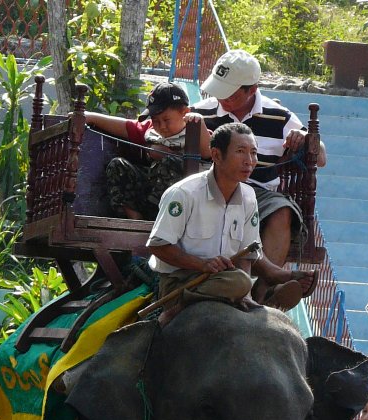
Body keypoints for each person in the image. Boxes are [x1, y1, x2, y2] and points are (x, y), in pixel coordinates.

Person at [192, 49, 327, 305]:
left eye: (229, 92)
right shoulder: (199, 113)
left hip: (260, 194)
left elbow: (320, 157)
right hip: (211, 187)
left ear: (251, 90)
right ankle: (268, 278)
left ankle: (265, 291)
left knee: (283, 210)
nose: (221, 97)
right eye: (218, 88)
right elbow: (150, 126)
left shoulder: (280, 116)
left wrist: (306, 139)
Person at [147, 121, 308, 320]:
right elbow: (158, 246)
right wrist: (201, 264)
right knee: (239, 282)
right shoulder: (183, 193)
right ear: (216, 155)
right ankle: (177, 306)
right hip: (180, 279)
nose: (249, 160)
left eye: (253, 153)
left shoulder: (249, 197)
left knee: (241, 282)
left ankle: (251, 295)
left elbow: (247, 252)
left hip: (225, 279)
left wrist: (246, 294)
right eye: (240, 151)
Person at [84, 82, 211, 220]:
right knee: (117, 165)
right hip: (149, 191)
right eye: (156, 121)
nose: (161, 126)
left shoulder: (195, 130)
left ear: (184, 113)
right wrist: (89, 116)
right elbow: (123, 126)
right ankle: (135, 219)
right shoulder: (150, 130)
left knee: (168, 162)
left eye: (166, 119)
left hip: (181, 199)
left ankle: (157, 220)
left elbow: (207, 153)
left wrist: (199, 123)